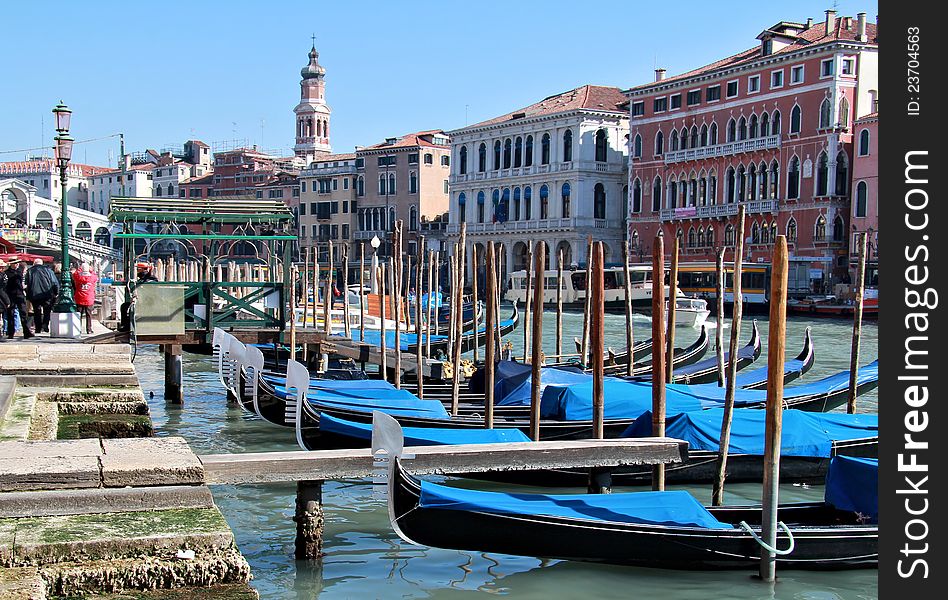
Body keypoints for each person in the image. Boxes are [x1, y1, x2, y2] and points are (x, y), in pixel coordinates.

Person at [25, 258, 59, 334]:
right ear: (42, 263)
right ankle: (45, 326)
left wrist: (28, 294)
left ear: (34, 264)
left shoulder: (30, 271)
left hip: (34, 294)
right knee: (47, 311)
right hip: (47, 294)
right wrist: (56, 292)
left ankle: (38, 328)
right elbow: (54, 282)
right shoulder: (48, 270)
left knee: (37, 311)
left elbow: (27, 283)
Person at [4, 259, 33, 339]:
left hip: (19, 295)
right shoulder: (7, 273)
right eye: (15, 263)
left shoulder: (19, 272)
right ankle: (11, 332)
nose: (17, 264)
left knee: (23, 314)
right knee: (11, 314)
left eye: (17, 263)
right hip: (11, 295)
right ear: (11, 264)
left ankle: (26, 332)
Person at [72, 262, 98, 335]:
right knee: (89, 315)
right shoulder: (92, 277)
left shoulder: (78, 277)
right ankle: (89, 329)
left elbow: (75, 274)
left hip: (79, 297)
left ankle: (78, 329)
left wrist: (80, 268)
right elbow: (95, 276)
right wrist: (91, 270)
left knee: (78, 314)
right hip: (89, 298)